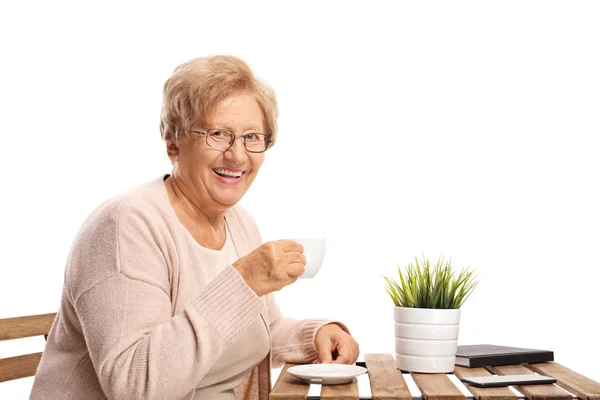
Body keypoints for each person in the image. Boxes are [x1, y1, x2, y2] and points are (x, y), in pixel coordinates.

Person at [30, 55, 360, 400]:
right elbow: (135, 386)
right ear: (174, 142)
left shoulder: (240, 223)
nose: (237, 155)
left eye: (252, 137)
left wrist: (317, 334)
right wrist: (243, 281)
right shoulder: (125, 225)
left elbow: (258, 330)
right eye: (218, 134)